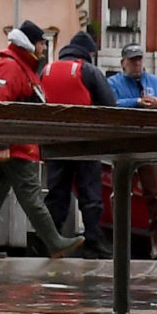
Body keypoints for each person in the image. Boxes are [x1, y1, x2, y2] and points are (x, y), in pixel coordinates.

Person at [0, 21, 82, 260]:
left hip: (15, 143)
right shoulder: (12, 67)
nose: (43, 48)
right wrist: (1, 143)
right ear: (29, 44)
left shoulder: (20, 66)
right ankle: (54, 241)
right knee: (30, 194)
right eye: (41, 43)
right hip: (14, 145)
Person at [108, 43, 157, 257]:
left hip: (151, 145)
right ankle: (120, 245)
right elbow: (106, 104)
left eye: (140, 59)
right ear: (123, 63)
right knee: (120, 193)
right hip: (123, 144)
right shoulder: (113, 83)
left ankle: (156, 245)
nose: (137, 64)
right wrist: (136, 102)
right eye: (133, 60)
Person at [38, 28, 109, 257]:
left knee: (57, 193)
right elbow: (110, 104)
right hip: (85, 141)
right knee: (90, 193)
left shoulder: (45, 70)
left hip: (55, 141)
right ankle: (92, 241)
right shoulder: (87, 70)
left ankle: (51, 240)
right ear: (88, 52)